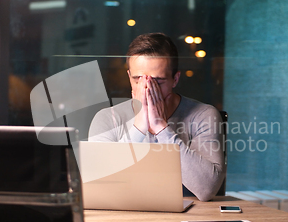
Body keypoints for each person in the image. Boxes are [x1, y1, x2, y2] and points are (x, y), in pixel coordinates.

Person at [89, 33, 225, 201]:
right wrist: (139, 126)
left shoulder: (203, 115)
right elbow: (98, 185)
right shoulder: (107, 118)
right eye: (138, 79)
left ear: (175, 79)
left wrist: (161, 128)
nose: (146, 88)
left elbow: (207, 189)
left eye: (157, 82)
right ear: (128, 76)